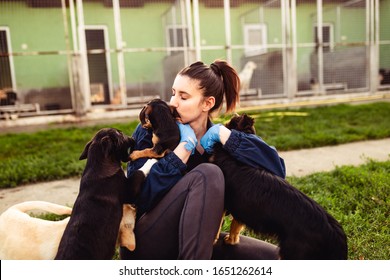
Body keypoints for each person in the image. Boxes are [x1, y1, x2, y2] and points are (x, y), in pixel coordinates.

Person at [120, 60, 286, 260]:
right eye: (173, 93)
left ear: (208, 103)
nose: (173, 103)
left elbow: (277, 170)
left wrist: (226, 136)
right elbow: (138, 198)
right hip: (147, 242)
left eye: (184, 96)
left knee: (276, 259)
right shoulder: (152, 130)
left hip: (197, 239)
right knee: (209, 173)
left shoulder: (219, 142)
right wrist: (181, 152)